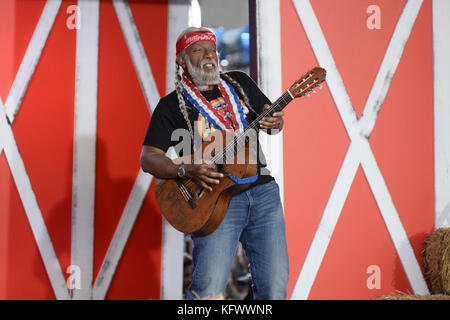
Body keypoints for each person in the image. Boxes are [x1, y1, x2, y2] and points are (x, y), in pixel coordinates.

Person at [140, 26, 289, 300]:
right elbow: (148, 158)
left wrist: (276, 121)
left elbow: (273, 122)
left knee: (274, 290)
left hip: (262, 191)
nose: (208, 55)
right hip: (212, 200)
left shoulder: (239, 84)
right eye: (198, 50)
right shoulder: (171, 105)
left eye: (211, 49)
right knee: (207, 291)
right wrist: (184, 169)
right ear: (181, 60)